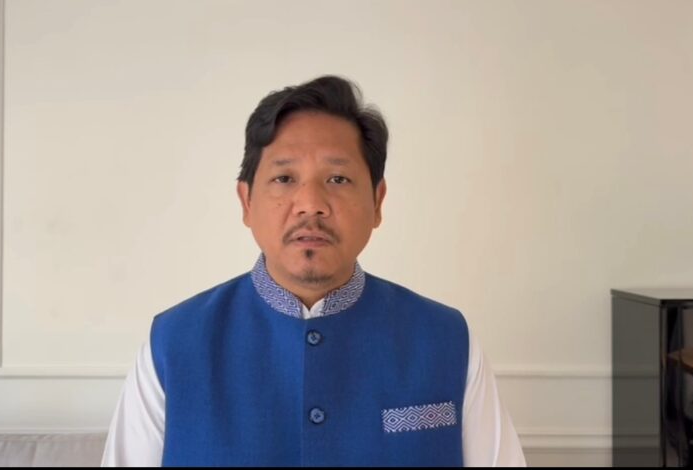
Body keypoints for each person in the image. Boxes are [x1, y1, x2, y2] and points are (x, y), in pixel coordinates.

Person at [102, 75, 526, 467]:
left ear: (377, 202)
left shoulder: (447, 340)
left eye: (338, 179)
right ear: (246, 202)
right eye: (284, 178)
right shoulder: (172, 345)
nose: (310, 204)